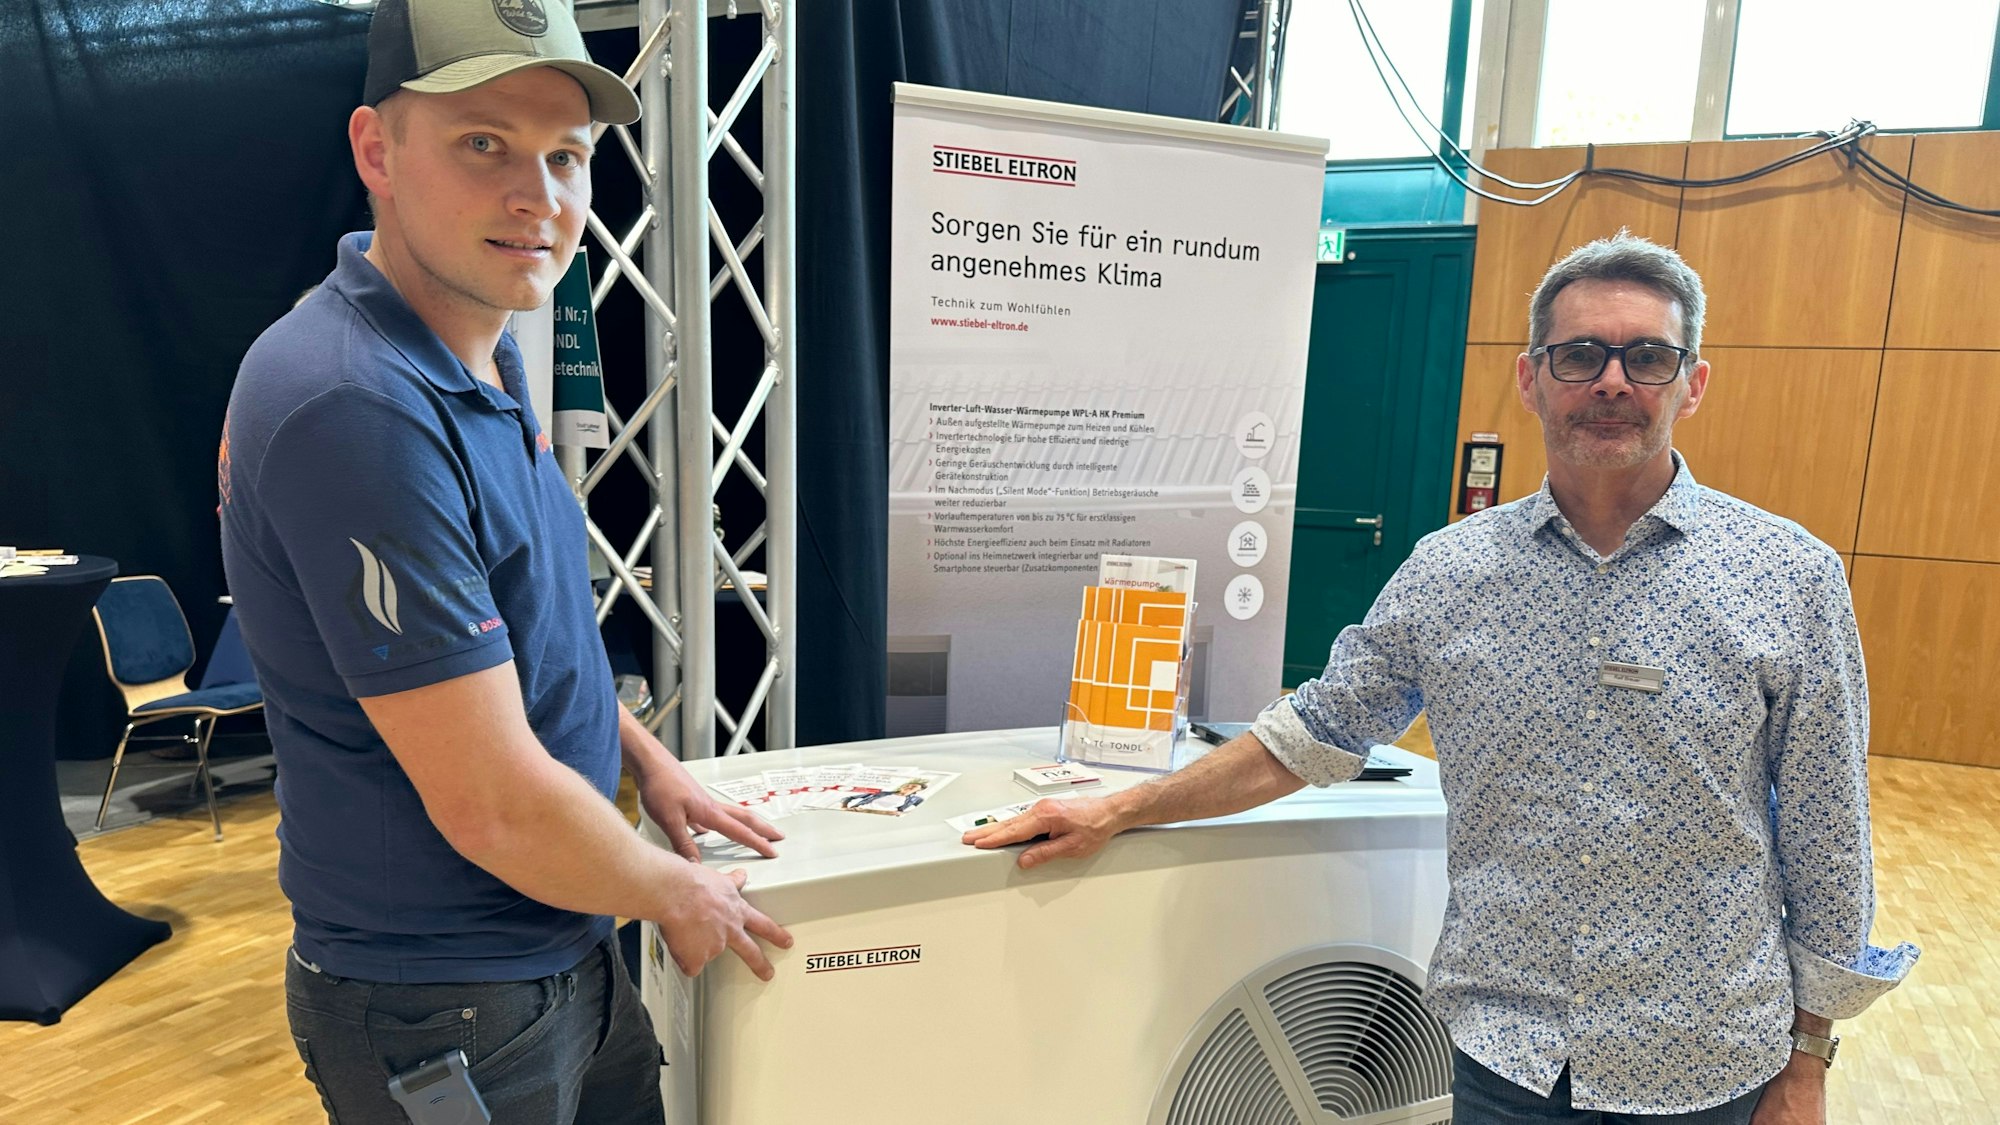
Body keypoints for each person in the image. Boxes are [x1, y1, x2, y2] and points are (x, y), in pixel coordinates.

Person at [966, 233, 1917, 1125]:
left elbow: (1830, 832)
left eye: (1648, 358)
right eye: (1580, 354)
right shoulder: (1449, 574)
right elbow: (1310, 736)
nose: (1614, 382)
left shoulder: (1788, 574)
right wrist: (1121, 809)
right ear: (1532, 380)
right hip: (1500, 1057)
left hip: (1705, 1062)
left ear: (1693, 383)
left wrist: (1809, 1059)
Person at [219, 1, 791, 1121]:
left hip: (557, 932)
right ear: (376, 151)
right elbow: (487, 803)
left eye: (566, 156)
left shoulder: (472, 346)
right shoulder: (355, 404)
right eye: (484, 144)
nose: (541, 199)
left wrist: (646, 761)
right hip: (445, 992)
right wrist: (677, 891)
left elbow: (525, 633)